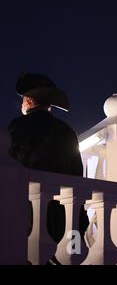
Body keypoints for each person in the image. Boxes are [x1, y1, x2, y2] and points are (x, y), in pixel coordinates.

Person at [8, 71, 89, 263]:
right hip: (61, 218)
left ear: (28, 101)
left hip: (23, 216)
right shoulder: (67, 132)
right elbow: (77, 175)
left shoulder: (15, 128)